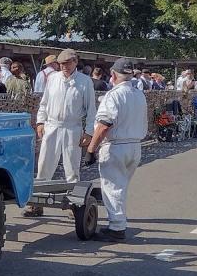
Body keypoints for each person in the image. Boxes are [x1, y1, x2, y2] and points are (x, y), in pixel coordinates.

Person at [81, 57, 147, 242]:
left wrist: (91, 149)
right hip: (134, 145)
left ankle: (117, 227)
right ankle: (119, 222)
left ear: (113, 75)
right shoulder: (138, 94)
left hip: (116, 146)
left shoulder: (114, 95)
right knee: (121, 186)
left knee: (112, 187)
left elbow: (104, 124)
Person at [26, 49, 96, 217]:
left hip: (73, 127)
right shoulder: (53, 79)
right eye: (62, 64)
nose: (64, 66)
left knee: (72, 168)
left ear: (75, 62)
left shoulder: (85, 82)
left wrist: (88, 132)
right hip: (52, 126)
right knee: (44, 165)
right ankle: (37, 202)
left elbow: (91, 109)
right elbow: (44, 103)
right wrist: (40, 122)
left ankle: (74, 204)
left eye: (68, 63)